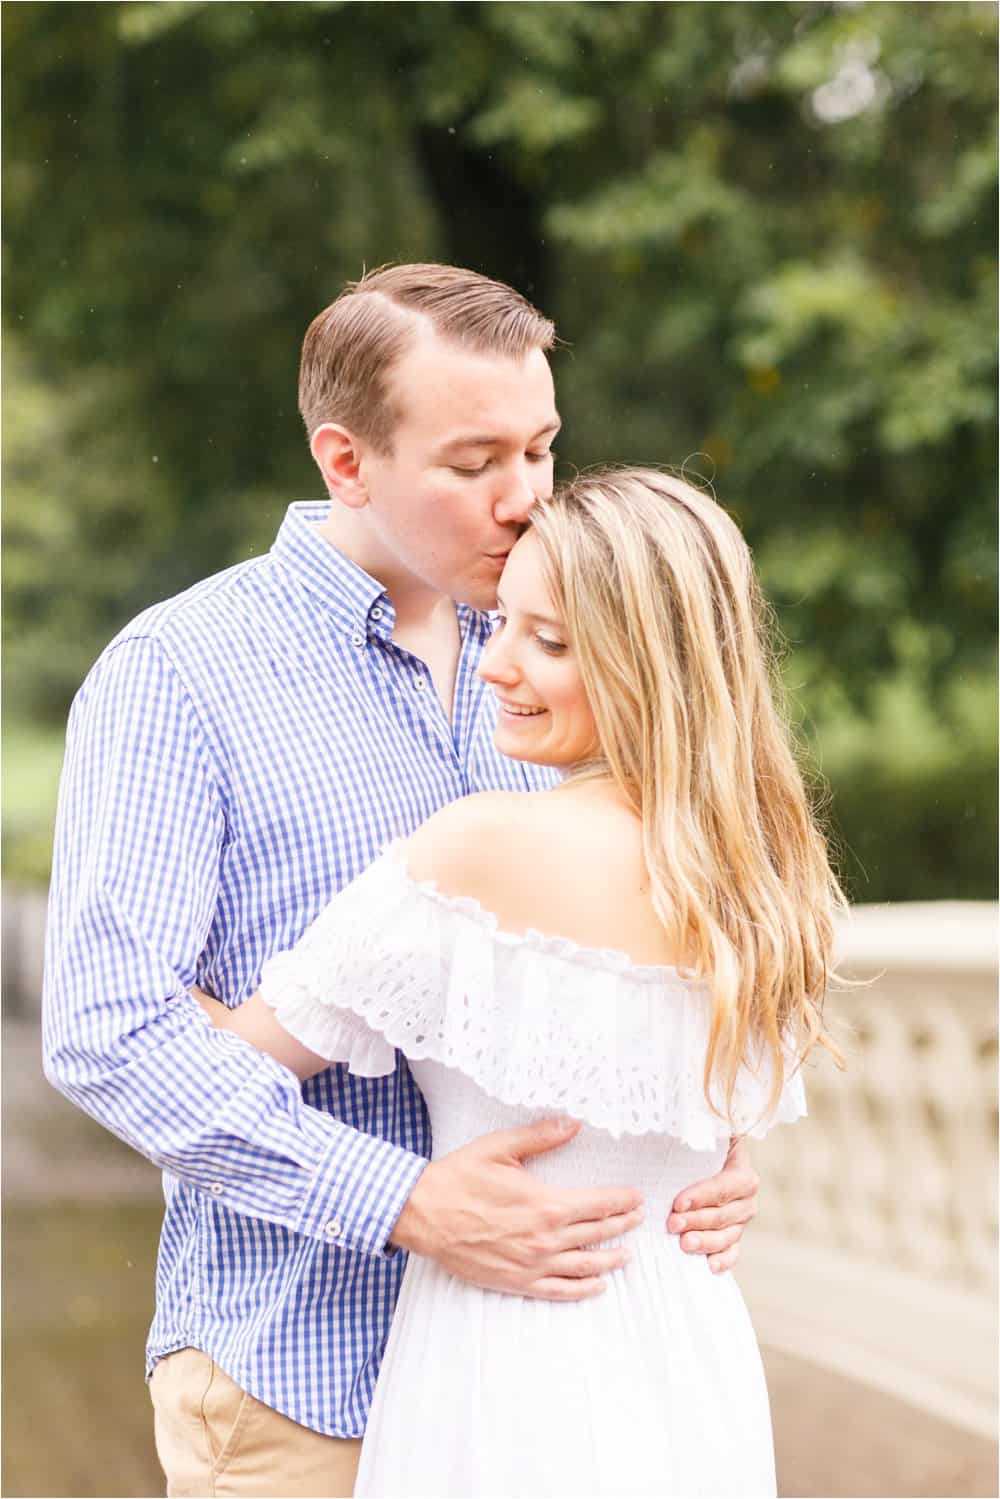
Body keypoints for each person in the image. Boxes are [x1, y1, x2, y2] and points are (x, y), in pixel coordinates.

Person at [42, 266, 760, 1499]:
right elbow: (108, 1032)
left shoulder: (565, 662)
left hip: (561, 1387)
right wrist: (403, 1200)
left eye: (540, 447)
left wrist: (702, 1145)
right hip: (304, 1376)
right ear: (347, 460)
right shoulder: (182, 672)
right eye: (475, 460)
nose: (526, 497)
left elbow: (664, 938)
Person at [201, 465, 845, 1497]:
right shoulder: (762, 877)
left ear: (653, 664)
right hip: (696, 1360)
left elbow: (226, 1065)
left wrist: (167, 986)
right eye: (498, 622)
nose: (496, 662)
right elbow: (709, 1147)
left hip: (509, 1358)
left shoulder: (479, 845)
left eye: (547, 641)